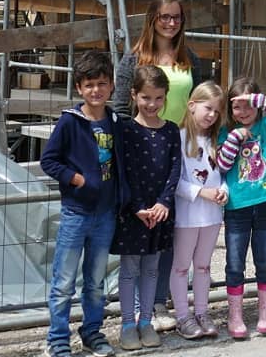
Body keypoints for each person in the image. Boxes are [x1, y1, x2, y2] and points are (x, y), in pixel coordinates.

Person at [111, 0, 212, 330]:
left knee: (174, 226)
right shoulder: (135, 58)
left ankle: (160, 302)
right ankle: (141, 306)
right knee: (144, 226)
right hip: (143, 151)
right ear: (152, 18)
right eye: (165, 17)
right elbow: (121, 108)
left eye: (177, 17)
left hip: (183, 149)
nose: (171, 23)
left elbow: (200, 102)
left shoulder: (190, 59)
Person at [42, 51, 130, 357]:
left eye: (102, 84)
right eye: (90, 84)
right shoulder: (70, 122)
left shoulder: (116, 122)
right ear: (79, 87)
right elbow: (49, 161)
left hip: (106, 215)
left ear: (111, 86)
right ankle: (57, 338)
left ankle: (92, 332)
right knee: (64, 280)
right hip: (76, 213)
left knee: (95, 281)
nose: (96, 90)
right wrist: (76, 179)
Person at [216, 79, 266, 339]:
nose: (244, 111)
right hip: (237, 208)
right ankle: (235, 315)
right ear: (230, 109)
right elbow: (223, 166)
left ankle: (265, 312)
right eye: (238, 107)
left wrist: (257, 99)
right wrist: (236, 137)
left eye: (250, 106)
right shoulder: (226, 132)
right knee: (235, 263)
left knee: (264, 261)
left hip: (264, 206)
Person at [111, 66, 181, 351]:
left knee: (152, 268)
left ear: (166, 98)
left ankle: (146, 321)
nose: (152, 104)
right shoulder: (126, 130)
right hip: (134, 212)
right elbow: (124, 171)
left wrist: (164, 202)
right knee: (129, 269)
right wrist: (138, 206)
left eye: (158, 98)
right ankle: (127, 323)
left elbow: (175, 168)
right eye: (146, 98)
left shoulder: (171, 130)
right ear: (133, 95)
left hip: (160, 212)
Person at [169, 82, 228, 340]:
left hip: (212, 216)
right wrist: (200, 192)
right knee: (182, 266)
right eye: (208, 108)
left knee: (203, 266)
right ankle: (183, 315)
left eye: (217, 111)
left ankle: (202, 312)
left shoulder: (217, 139)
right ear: (192, 106)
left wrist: (225, 190)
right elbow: (174, 181)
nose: (212, 115)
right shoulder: (178, 138)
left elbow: (223, 175)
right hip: (187, 216)